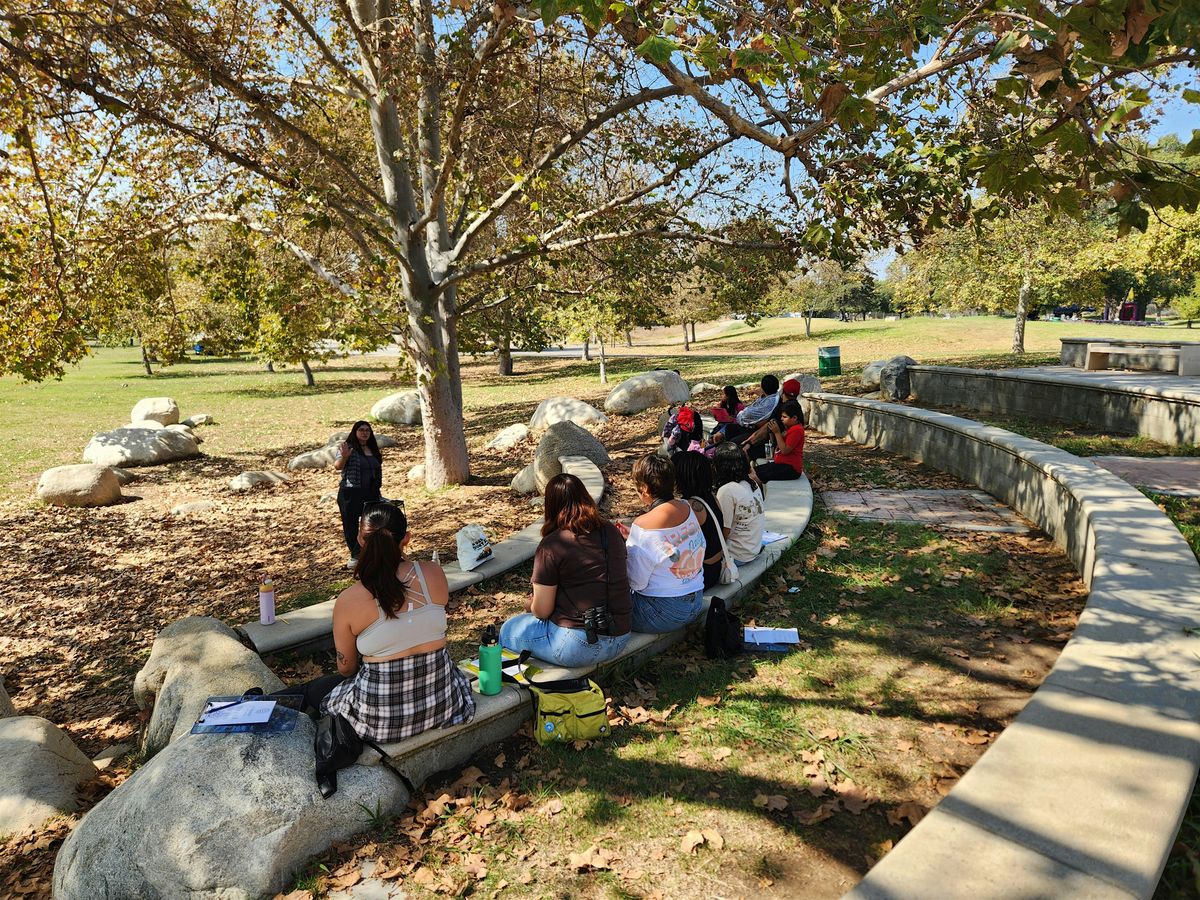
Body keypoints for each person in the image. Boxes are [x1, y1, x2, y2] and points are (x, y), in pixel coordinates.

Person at [272, 502, 475, 742]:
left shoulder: (350, 600)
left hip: (379, 724)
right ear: (407, 538)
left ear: (360, 539)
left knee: (315, 690)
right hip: (443, 705)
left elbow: (346, 668)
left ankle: (249, 711)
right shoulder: (433, 574)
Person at [499, 473, 632, 666]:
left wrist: (530, 605)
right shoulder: (610, 531)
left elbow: (542, 611)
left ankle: (507, 685)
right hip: (621, 635)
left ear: (551, 505)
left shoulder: (552, 545)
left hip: (578, 644)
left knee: (509, 629)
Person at [618, 454, 707, 633]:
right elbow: (669, 543)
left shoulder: (643, 525)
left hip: (661, 613)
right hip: (695, 600)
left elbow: (636, 583)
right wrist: (635, 539)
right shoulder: (687, 507)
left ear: (644, 489)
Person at [673, 451, 726, 589]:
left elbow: (675, 545)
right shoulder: (711, 497)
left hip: (703, 574)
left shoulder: (690, 507)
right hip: (715, 566)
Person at [335, 421, 383, 568]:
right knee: (351, 526)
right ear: (355, 431)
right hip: (350, 493)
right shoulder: (347, 447)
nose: (364, 433)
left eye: (367, 430)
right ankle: (356, 556)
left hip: (371, 493)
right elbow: (337, 466)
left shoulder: (373, 449)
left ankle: (371, 553)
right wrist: (344, 457)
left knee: (371, 524)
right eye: (361, 430)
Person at [714, 442, 765, 566]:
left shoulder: (726, 491)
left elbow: (725, 531)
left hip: (736, 555)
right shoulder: (751, 483)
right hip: (753, 549)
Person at [756, 400, 805, 483]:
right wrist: (773, 433)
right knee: (754, 471)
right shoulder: (791, 428)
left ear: (794, 418)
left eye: (784, 417)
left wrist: (777, 432)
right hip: (781, 464)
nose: (781, 419)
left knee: (757, 476)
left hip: (791, 468)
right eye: (781, 416)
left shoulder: (797, 430)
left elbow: (785, 450)